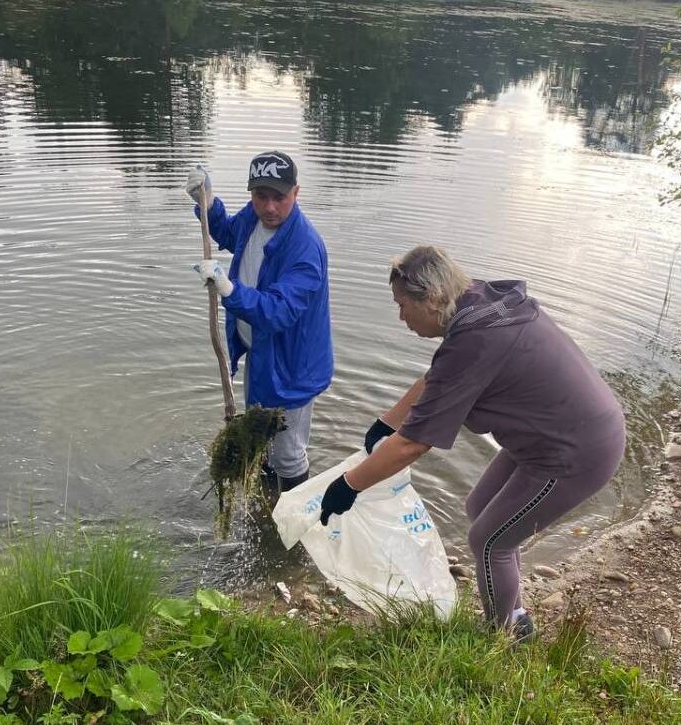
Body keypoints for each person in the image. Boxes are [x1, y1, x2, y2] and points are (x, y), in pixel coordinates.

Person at [318, 245, 625, 640]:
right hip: (553, 433)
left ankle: (502, 638)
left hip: (575, 451)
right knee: (480, 508)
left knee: (489, 539)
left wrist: (349, 485)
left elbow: (414, 445)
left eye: (401, 305)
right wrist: (387, 423)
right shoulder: (476, 306)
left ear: (430, 299)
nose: (400, 316)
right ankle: (515, 614)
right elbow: (439, 374)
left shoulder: (476, 341)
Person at [187, 152, 333, 491]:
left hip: (293, 365)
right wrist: (207, 203)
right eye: (260, 196)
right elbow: (227, 232)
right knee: (263, 437)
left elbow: (279, 311)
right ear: (252, 194)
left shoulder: (305, 248)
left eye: (279, 197)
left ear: (296, 193)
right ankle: (268, 506)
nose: (269, 207)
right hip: (262, 353)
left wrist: (227, 288)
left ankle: (294, 522)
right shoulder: (254, 220)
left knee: (288, 453)